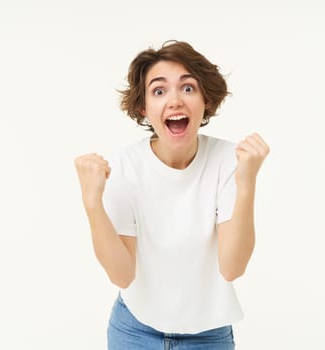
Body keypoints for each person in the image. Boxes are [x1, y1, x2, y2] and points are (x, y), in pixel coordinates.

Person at [74, 40, 269, 349]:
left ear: (206, 99)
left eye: (188, 88)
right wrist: (92, 202)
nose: (175, 100)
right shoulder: (125, 166)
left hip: (209, 335)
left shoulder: (229, 161)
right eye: (159, 91)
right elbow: (122, 275)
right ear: (144, 107)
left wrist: (247, 184)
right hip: (134, 332)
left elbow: (232, 267)